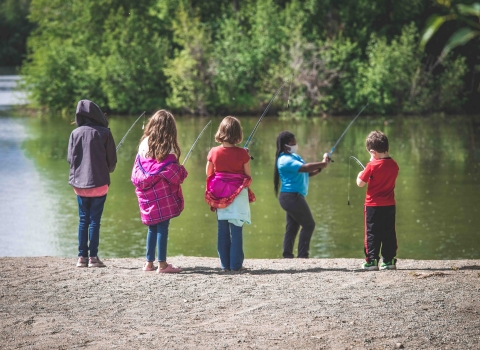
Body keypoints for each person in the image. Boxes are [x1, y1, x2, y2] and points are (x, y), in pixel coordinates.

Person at [131, 110, 188, 273]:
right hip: (162, 195)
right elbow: (174, 175)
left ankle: (149, 263)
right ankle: (162, 264)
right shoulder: (168, 148)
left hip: (147, 193)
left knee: (152, 227)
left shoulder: (144, 144)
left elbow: (140, 167)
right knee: (163, 226)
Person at [68, 99, 117, 268]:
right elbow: (112, 162)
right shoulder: (105, 133)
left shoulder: (75, 134)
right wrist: (106, 169)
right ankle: (93, 258)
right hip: (100, 184)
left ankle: (81, 258)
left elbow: (70, 159)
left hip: (79, 186)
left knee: (83, 220)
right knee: (95, 221)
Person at [205, 116, 255, 271]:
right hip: (238, 196)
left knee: (222, 230)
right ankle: (235, 265)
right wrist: (243, 156)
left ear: (221, 131)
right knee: (237, 230)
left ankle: (225, 265)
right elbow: (248, 177)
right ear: (238, 134)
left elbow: (208, 172)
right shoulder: (243, 153)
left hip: (220, 195)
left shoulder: (213, 151)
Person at [274, 131, 330, 259]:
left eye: (295, 142)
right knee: (309, 224)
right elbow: (305, 168)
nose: (295, 145)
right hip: (291, 197)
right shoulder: (284, 159)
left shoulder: (294, 157)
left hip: (294, 197)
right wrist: (323, 163)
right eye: (292, 143)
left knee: (293, 227)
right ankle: (303, 256)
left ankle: (287, 255)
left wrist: (320, 168)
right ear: (284, 145)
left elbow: (306, 173)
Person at [356, 130, 399, 270]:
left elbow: (360, 183)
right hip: (389, 205)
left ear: (373, 152)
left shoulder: (371, 166)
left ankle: (372, 261)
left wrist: (360, 174)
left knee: (372, 232)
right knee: (388, 232)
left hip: (373, 206)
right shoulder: (394, 165)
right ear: (388, 148)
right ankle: (389, 261)